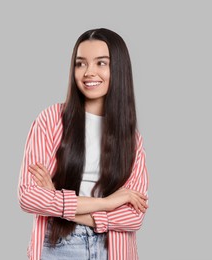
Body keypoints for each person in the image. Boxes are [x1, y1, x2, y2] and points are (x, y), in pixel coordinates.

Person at [17, 28, 149, 260]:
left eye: (101, 63)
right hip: (59, 245)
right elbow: (29, 196)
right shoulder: (50, 120)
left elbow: (133, 217)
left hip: (115, 249)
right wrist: (108, 203)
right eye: (80, 64)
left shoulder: (132, 138)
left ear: (118, 69)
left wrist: (58, 202)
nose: (89, 72)